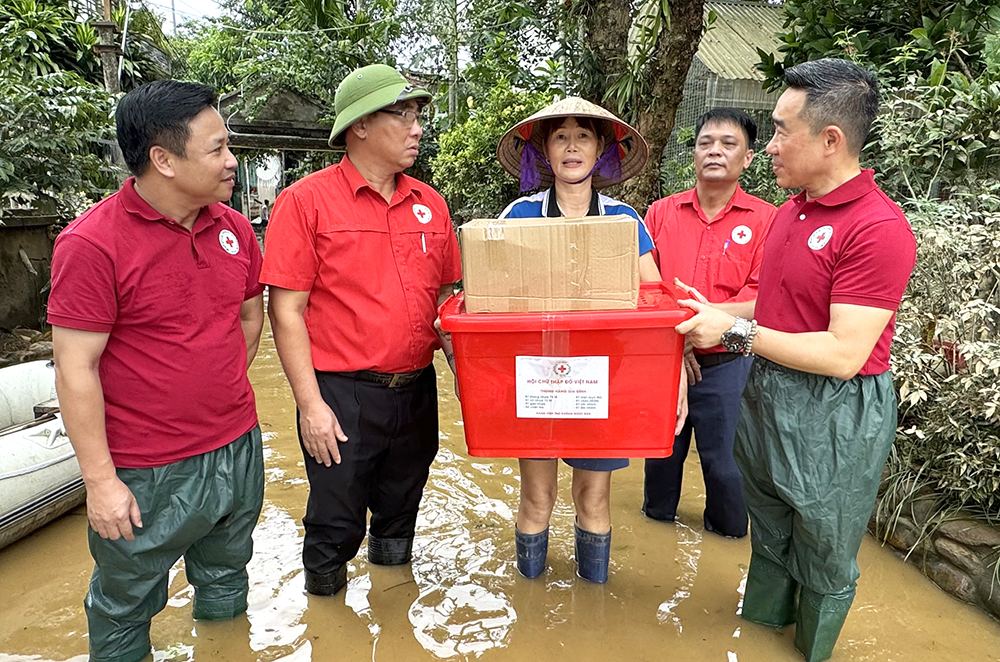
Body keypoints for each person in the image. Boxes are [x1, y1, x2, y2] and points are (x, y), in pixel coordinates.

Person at [676, 59, 916, 662]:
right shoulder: (793, 210)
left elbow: (842, 352)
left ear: (830, 140)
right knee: (772, 527)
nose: (771, 145)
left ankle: (811, 649)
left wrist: (730, 334)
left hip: (834, 413)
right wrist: (722, 309)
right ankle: (758, 636)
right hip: (770, 389)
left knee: (825, 543)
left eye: (782, 131)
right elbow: (781, 305)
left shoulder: (878, 229)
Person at [48, 80, 265, 662]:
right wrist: (100, 483)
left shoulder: (233, 228)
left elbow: (248, 314)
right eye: (217, 148)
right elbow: (74, 370)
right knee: (125, 604)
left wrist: (211, 390)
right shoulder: (92, 245)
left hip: (237, 446)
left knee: (227, 578)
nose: (232, 160)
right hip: (145, 470)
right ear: (163, 160)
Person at [260, 64, 462, 597]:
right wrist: (310, 407)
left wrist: (464, 374)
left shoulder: (431, 204)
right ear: (360, 127)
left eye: (418, 115)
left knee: (402, 507)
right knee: (334, 517)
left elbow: (446, 302)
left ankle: (393, 611)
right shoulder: (305, 203)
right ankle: (326, 622)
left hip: (415, 388)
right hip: (342, 394)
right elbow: (287, 312)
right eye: (402, 114)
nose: (417, 127)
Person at [495, 97, 686, 583]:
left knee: (593, 497)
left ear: (601, 148)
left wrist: (676, 376)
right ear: (546, 151)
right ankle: (531, 606)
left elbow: (656, 306)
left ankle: (594, 603)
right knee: (537, 498)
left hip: (601, 381)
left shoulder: (625, 221)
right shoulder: (518, 215)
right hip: (535, 378)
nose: (572, 146)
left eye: (584, 136)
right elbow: (491, 299)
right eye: (561, 136)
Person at [642, 108, 776, 539]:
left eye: (728, 143)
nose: (714, 151)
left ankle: (728, 539)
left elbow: (765, 300)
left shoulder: (767, 220)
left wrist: (709, 322)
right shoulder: (661, 213)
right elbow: (644, 290)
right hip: (666, 361)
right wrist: (678, 346)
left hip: (731, 361)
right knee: (660, 457)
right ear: (694, 153)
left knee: (727, 467)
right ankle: (654, 536)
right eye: (705, 143)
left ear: (748, 158)